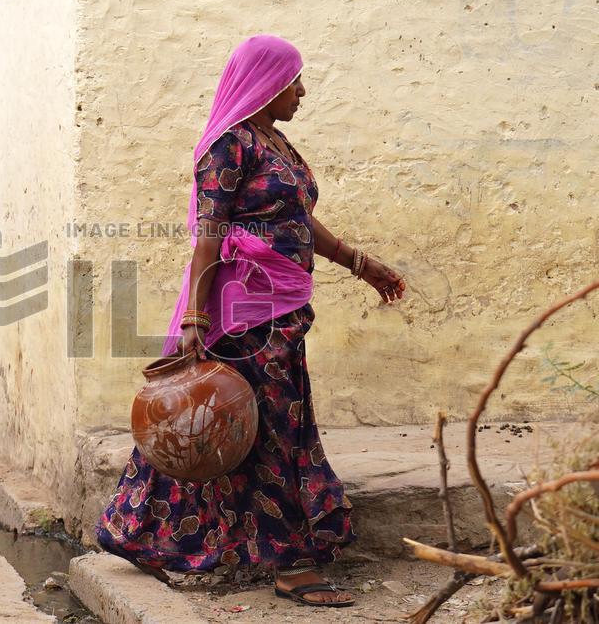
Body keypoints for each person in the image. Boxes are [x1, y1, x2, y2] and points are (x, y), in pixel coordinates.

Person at [96, 36, 407, 608]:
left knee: (247, 426)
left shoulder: (274, 141)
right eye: (294, 81)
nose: (303, 92)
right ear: (266, 82)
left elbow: (300, 221)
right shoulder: (227, 147)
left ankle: (140, 533)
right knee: (264, 431)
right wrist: (194, 317)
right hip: (243, 317)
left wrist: (364, 266)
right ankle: (289, 564)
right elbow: (208, 235)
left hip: (282, 309)